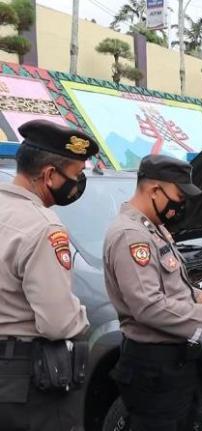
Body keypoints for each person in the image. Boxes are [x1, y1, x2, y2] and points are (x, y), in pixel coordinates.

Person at [103, 154, 202, 430]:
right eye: (179, 196)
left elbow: (171, 284)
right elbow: (148, 306)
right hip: (152, 367)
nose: (181, 204)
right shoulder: (131, 236)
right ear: (154, 190)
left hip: (172, 365)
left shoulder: (154, 229)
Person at [0, 120, 96, 430]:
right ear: (50, 175)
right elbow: (58, 322)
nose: (77, 184)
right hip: (25, 381)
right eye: (76, 176)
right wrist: (80, 316)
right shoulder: (43, 227)